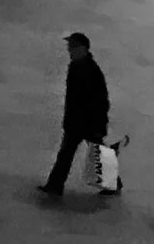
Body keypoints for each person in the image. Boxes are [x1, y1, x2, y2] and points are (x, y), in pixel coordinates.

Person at [39, 31, 110, 197]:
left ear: (83, 49)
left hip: (87, 122)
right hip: (77, 121)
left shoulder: (90, 70)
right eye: (69, 47)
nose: (69, 50)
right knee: (68, 154)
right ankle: (54, 185)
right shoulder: (76, 67)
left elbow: (100, 100)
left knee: (90, 152)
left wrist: (98, 122)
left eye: (72, 47)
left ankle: (55, 186)